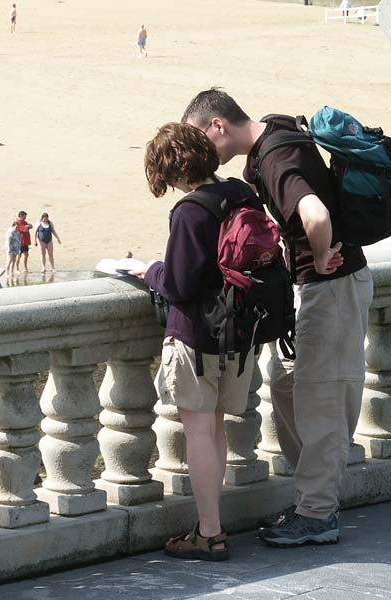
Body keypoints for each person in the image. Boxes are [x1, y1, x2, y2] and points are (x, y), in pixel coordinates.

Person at [182, 88, 372, 547]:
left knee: (319, 398)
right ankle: (314, 499)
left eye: (198, 138)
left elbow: (315, 213)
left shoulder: (274, 157)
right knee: (290, 387)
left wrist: (322, 257)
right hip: (326, 288)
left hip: (332, 286)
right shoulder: (279, 131)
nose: (199, 152)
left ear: (217, 126)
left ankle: (318, 514)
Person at [135, 123, 259, 561]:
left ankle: (210, 533)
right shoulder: (240, 193)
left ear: (169, 170)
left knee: (199, 431)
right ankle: (213, 524)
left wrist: (149, 271)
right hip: (240, 335)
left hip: (198, 338)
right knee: (216, 428)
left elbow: (179, 286)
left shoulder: (190, 211)